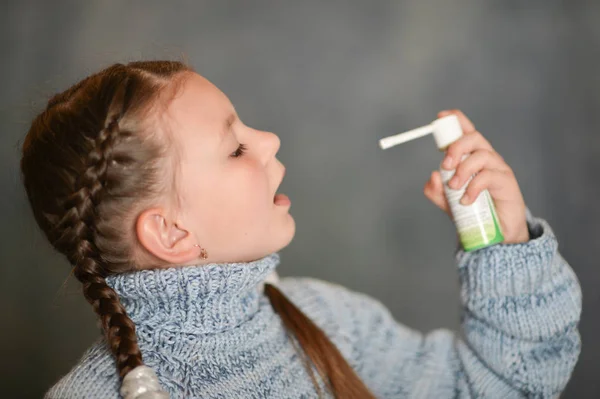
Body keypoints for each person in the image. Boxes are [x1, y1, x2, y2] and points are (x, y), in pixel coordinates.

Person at [20, 61, 581, 399]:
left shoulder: (327, 321)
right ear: (169, 233)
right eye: (236, 146)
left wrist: (502, 248)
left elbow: (502, 388)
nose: (269, 141)